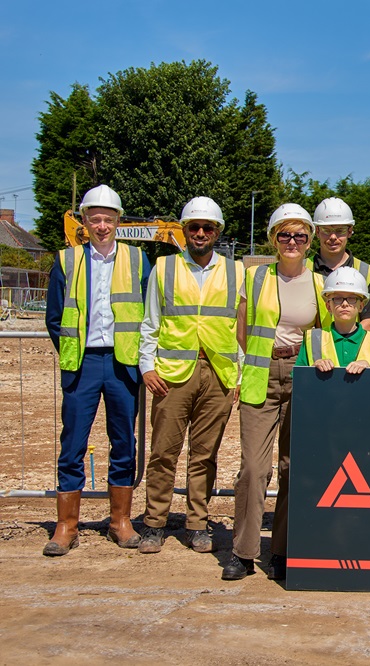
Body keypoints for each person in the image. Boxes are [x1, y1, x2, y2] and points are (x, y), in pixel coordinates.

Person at [224, 204, 329, 582]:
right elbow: (241, 327)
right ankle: (244, 551)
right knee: (254, 468)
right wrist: (250, 363)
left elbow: (325, 333)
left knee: (292, 467)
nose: (292, 242)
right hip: (261, 375)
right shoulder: (254, 278)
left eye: (300, 236)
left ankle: (283, 550)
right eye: (284, 235)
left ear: (309, 241)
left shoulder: (319, 284)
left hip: (301, 376)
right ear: (273, 239)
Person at [43, 185, 150, 556]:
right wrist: (72, 351)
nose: (102, 225)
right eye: (95, 218)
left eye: (108, 218)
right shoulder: (67, 260)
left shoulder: (138, 261)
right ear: (84, 221)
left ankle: (120, 520)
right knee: (72, 443)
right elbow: (54, 317)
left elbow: (149, 313)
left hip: (123, 365)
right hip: (83, 364)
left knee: (124, 442)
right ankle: (66, 525)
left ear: (119, 221)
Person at [137, 196, 242, 556]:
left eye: (207, 228)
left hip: (218, 373)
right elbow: (150, 323)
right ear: (184, 232)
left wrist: (239, 374)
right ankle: (155, 523)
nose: (200, 233)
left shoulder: (235, 271)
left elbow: (238, 329)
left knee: (204, 454)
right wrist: (146, 366)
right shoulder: (164, 268)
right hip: (172, 374)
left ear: (217, 232)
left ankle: (197, 523)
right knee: (163, 451)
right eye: (194, 227)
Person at [308, 197, 370, 332]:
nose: (333, 237)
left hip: (352, 350)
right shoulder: (303, 269)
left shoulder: (366, 271)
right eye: (327, 230)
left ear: (350, 231)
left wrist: (340, 341)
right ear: (318, 232)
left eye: (340, 230)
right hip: (312, 349)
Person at [296, 266, 370, 372]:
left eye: (352, 298)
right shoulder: (312, 339)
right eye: (337, 299)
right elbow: (298, 379)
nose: (345, 304)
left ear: (361, 306)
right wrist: (312, 369)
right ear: (328, 306)